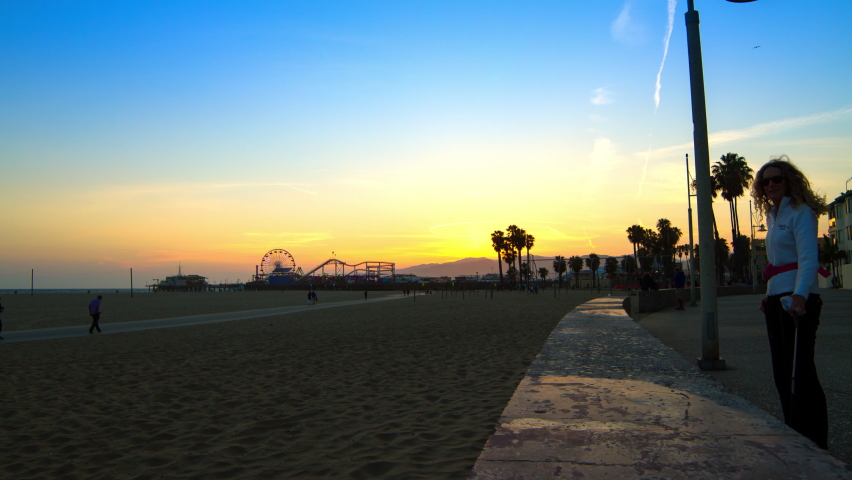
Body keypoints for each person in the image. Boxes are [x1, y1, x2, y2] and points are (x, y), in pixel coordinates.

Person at [753, 155, 830, 449]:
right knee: (782, 372)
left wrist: (800, 295)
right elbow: (778, 263)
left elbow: (808, 258)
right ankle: (794, 431)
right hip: (777, 300)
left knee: (801, 370)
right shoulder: (773, 217)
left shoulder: (801, 213)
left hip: (799, 300)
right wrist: (769, 294)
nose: (771, 184)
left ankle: (815, 440)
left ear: (789, 181)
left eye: (777, 179)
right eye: (765, 181)